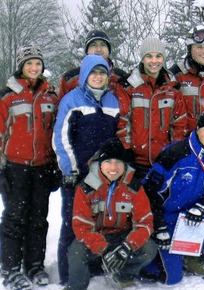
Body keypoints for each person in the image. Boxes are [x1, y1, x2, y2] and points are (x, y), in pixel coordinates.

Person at [141, 111, 204, 285]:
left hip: (196, 214)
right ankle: (151, 260)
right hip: (170, 217)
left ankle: (197, 255)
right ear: (198, 129)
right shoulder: (175, 153)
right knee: (172, 278)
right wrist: (159, 225)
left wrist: (203, 206)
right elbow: (148, 191)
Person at [53, 54, 124, 285]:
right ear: (85, 74)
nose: (98, 77)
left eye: (102, 73)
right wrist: (71, 169)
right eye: (93, 72)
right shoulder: (71, 100)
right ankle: (68, 275)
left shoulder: (113, 101)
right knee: (73, 224)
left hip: (103, 176)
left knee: (97, 221)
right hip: (78, 174)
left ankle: (93, 269)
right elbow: (62, 138)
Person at [0, 45, 60, 290]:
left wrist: (56, 166)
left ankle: (35, 265)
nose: (34, 68)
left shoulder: (50, 96)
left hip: (42, 167)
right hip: (15, 167)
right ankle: (10, 269)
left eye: (37, 63)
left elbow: (56, 134)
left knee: (38, 219)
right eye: (29, 63)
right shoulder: (8, 96)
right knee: (14, 218)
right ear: (21, 66)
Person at [66, 138, 156, 290]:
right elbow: (82, 227)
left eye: (118, 162)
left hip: (123, 237)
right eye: (108, 162)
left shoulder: (134, 187)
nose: (113, 167)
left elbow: (145, 224)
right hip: (96, 236)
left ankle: (124, 275)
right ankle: (77, 286)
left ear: (125, 165)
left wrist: (128, 246)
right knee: (76, 250)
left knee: (149, 248)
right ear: (100, 164)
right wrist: (104, 248)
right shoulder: (86, 187)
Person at [117, 37, 189, 183]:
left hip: (162, 161)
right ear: (142, 58)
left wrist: (173, 150)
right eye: (149, 56)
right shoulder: (129, 85)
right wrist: (127, 149)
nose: (154, 61)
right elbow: (122, 121)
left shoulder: (172, 87)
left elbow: (180, 122)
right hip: (135, 161)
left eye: (158, 56)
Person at [58, 30, 127, 100]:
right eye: (94, 45)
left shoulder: (120, 77)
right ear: (87, 51)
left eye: (103, 45)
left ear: (109, 50)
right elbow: (60, 107)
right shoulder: (70, 78)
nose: (99, 49)